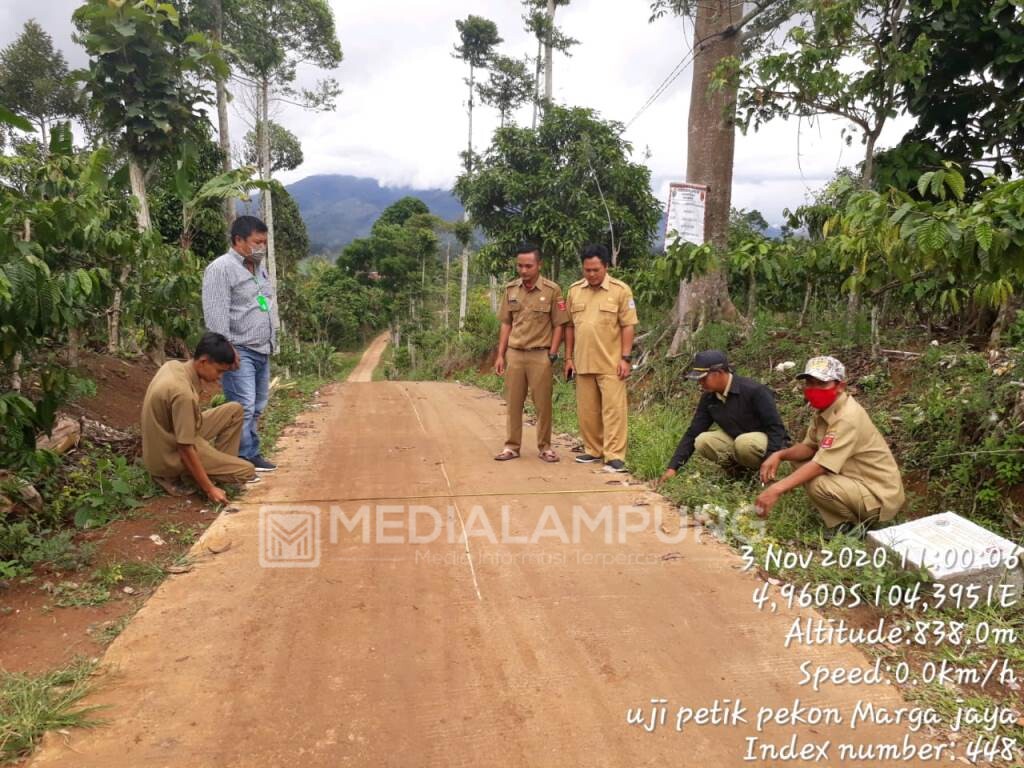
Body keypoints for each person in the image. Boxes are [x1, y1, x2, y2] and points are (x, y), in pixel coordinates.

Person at [755, 356, 906, 537]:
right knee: (800, 462)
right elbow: (809, 447)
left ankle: (856, 528)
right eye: (810, 383)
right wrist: (780, 455)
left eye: (821, 384)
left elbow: (821, 465)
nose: (813, 389)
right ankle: (843, 520)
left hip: (878, 495)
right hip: (855, 481)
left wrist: (776, 489)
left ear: (840, 386)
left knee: (817, 482)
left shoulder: (847, 417)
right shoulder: (825, 410)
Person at [141, 332, 257, 504]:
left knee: (235, 410)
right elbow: (185, 447)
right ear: (203, 362)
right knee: (246, 470)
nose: (219, 377)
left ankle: (217, 470)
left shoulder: (173, 366)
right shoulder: (183, 394)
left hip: (169, 436)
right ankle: (192, 477)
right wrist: (209, 488)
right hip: (168, 455)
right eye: (219, 371)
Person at [202, 215, 278, 472]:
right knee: (242, 406)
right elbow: (216, 315)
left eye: (264, 242)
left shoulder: (258, 268)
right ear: (238, 240)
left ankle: (250, 453)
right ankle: (238, 461)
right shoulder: (221, 269)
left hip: (261, 348)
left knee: (257, 405)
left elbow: (262, 305)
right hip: (239, 349)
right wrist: (226, 353)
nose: (262, 247)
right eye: (257, 242)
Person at [657, 350, 788, 485]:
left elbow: (776, 429)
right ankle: (741, 476)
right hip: (739, 441)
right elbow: (693, 432)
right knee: (702, 440)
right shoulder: (709, 398)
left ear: (719, 373)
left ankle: (763, 476)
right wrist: (673, 468)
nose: (700, 383)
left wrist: (771, 458)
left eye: (703, 378)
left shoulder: (754, 391)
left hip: (767, 444)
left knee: (744, 443)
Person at [564, 244, 638, 473]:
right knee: (588, 411)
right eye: (587, 270)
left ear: (606, 266)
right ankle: (593, 450)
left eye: (596, 269)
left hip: (611, 363)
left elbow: (628, 326)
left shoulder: (620, 290)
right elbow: (569, 326)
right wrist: (568, 358)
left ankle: (614, 454)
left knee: (614, 410)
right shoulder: (575, 291)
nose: (591, 274)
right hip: (583, 361)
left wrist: (625, 358)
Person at [494, 244, 569, 462]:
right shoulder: (511, 290)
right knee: (513, 402)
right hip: (515, 353)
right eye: (520, 266)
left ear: (539, 265)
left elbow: (559, 325)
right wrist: (500, 354)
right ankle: (511, 446)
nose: (524, 270)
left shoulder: (552, 290)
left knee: (543, 404)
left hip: (540, 355)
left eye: (528, 266)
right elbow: (506, 324)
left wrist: (552, 354)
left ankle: (545, 447)